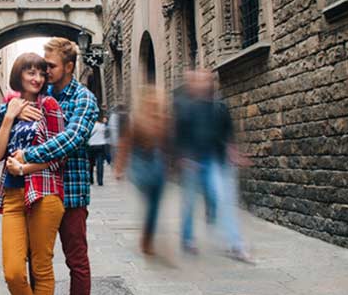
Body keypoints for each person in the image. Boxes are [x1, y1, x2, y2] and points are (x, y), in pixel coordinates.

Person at [0, 38, 99, 295]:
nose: (44, 72)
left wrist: (27, 156)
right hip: (38, 189)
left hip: (71, 190)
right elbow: (7, 107)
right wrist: (13, 111)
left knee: (75, 257)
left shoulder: (84, 99)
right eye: (42, 66)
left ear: (68, 67)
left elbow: (72, 138)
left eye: (50, 66)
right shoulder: (46, 92)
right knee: (34, 256)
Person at [0, 53, 66, 295]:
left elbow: (58, 155)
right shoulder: (10, 108)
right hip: (12, 195)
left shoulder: (50, 107)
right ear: (19, 75)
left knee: (41, 267)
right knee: (12, 272)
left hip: (44, 192)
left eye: (40, 73)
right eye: (29, 72)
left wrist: (24, 167)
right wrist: (10, 116)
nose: (35, 78)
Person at [173, 69, 252, 262]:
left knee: (224, 200)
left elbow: (228, 134)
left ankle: (236, 244)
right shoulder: (186, 108)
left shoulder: (220, 108)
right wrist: (181, 158)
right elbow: (178, 135)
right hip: (192, 161)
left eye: (207, 81)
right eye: (200, 81)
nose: (204, 84)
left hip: (215, 160)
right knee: (190, 203)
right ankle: (187, 237)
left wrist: (235, 155)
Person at [114, 87, 169, 255]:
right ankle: (147, 239)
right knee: (150, 196)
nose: (154, 104)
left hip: (158, 162)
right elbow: (125, 144)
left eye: (156, 102)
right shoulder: (136, 121)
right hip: (140, 162)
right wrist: (119, 167)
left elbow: (171, 144)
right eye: (151, 101)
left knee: (154, 205)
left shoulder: (164, 120)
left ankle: (147, 237)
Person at [88, 115, 108, 186]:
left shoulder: (90, 126)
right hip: (101, 145)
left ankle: (91, 179)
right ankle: (100, 181)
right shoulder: (102, 126)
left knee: (90, 164)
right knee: (100, 164)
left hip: (91, 145)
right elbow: (106, 134)